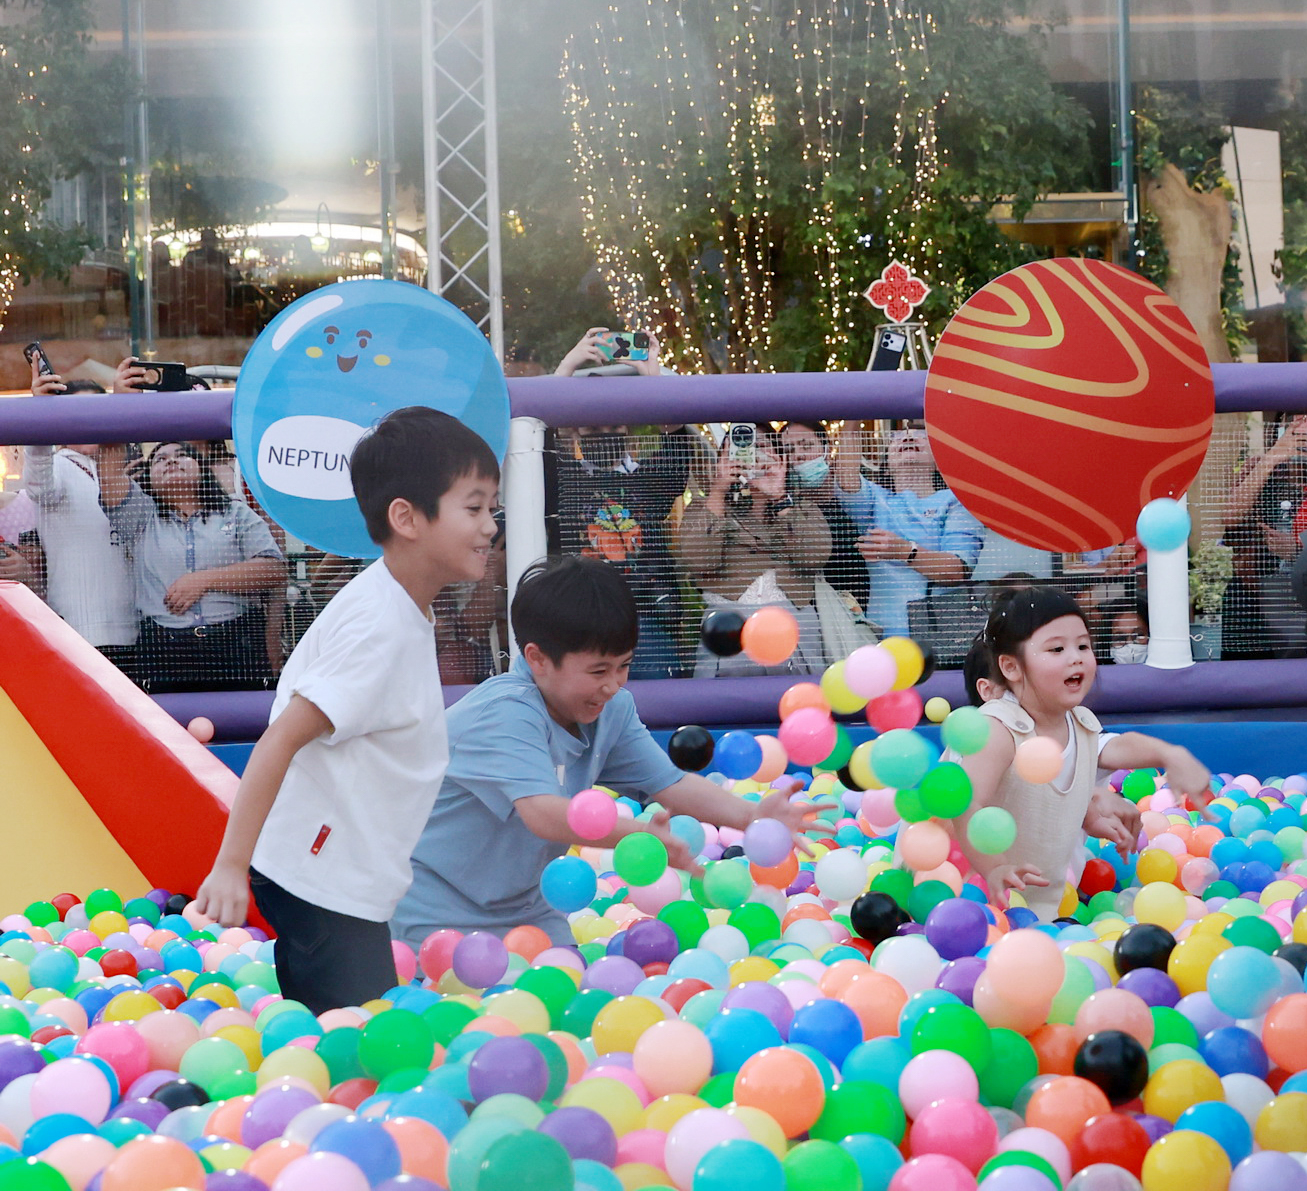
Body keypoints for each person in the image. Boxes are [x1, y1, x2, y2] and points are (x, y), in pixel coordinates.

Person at [191, 407, 501, 1013]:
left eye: (492, 508)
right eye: (474, 508)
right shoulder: (378, 629)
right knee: (354, 1046)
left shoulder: (398, 602)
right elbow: (280, 739)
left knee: (355, 1033)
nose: (490, 526)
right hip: (319, 882)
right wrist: (228, 866)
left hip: (336, 877)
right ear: (407, 518)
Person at [390, 556, 826, 947]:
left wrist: (751, 817)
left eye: (623, 665)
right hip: (433, 902)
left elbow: (670, 785)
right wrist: (635, 835)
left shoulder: (610, 709)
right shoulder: (505, 712)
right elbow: (543, 814)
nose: (613, 684)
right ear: (537, 659)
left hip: (524, 907)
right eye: (598, 670)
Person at [951, 587, 1212, 920]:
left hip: (1035, 908)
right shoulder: (1000, 728)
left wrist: (1169, 754)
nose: (1075, 657)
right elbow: (966, 803)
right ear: (1012, 668)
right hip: (972, 904)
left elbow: (1114, 748)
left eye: (1083, 645)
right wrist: (995, 868)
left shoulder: (1080, 724)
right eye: (1057, 648)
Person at [550, 333, 695, 678]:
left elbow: (675, 437)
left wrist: (652, 377)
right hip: (581, 624)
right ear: (573, 432)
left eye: (612, 425)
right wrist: (568, 364)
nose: (602, 434)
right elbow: (542, 424)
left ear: (627, 426)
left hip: (646, 623)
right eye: (591, 428)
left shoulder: (648, 480)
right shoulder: (562, 480)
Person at [102, 441, 286, 692]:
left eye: (182, 455)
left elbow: (273, 570)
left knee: (241, 724)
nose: (171, 461)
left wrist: (202, 580)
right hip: (164, 649)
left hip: (237, 642)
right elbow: (109, 471)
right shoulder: (140, 516)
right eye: (160, 459)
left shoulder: (235, 513)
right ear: (148, 477)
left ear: (202, 469)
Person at [677, 423, 832, 675]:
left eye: (761, 447)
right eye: (742, 450)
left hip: (793, 630)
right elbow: (698, 560)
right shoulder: (706, 506)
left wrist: (780, 497)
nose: (753, 457)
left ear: (779, 458)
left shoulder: (801, 505)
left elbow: (814, 557)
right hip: (726, 630)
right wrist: (719, 489)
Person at [20, 366, 139, 667]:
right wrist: (42, 416)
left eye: (97, 413)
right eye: (78, 413)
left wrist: (124, 408)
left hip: (137, 630)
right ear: (62, 422)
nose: (89, 423)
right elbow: (39, 485)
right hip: (80, 632)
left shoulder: (125, 470)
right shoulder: (56, 465)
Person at [832, 419, 983, 639]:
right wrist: (855, 411)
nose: (908, 436)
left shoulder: (957, 501)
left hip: (939, 645)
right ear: (888, 459)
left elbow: (956, 570)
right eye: (897, 436)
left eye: (921, 434)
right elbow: (846, 476)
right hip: (883, 644)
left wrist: (903, 551)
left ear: (937, 456)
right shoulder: (875, 500)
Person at [1220, 412, 1307, 656]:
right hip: (1254, 600)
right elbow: (1230, 517)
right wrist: (1274, 456)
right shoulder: (1261, 468)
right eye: (1293, 422)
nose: (1303, 430)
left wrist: (1298, 551)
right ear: (1280, 429)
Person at [778, 420, 869, 610]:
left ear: (827, 450)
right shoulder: (783, 510)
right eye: (789, 450)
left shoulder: (855, 497)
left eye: (806, 446)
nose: (799, 456)